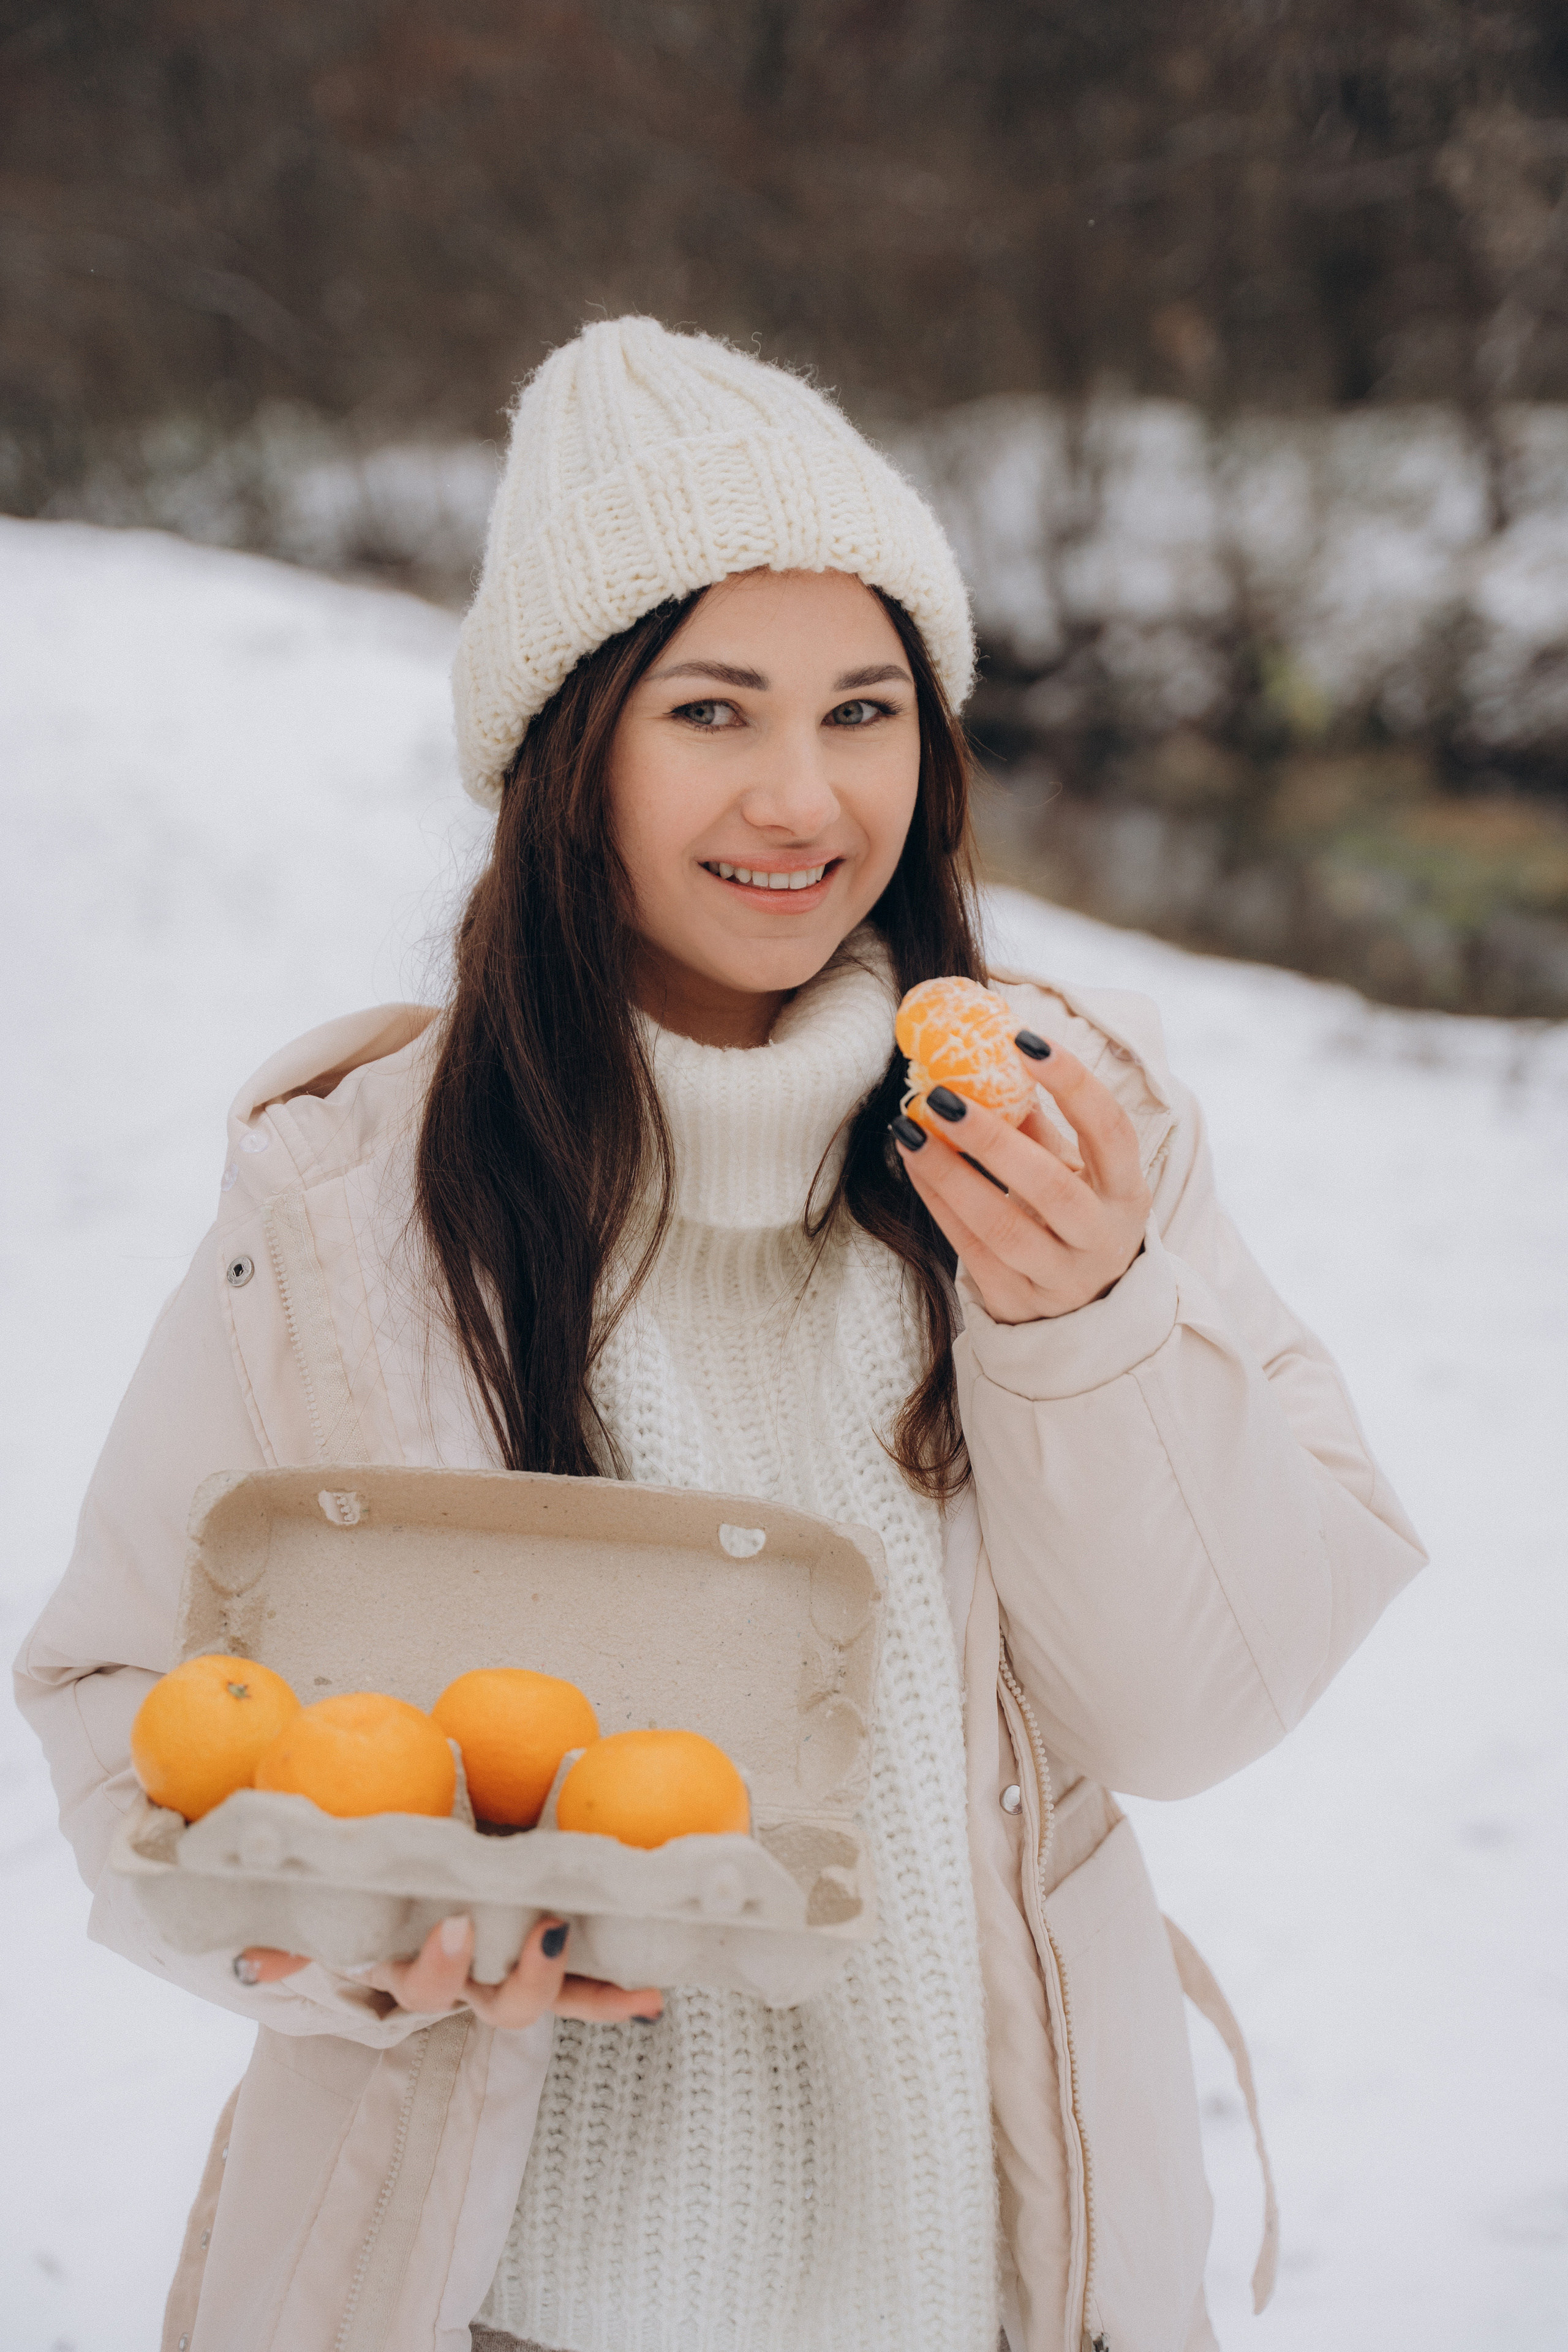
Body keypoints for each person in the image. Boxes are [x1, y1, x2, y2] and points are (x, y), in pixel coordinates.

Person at [15, 316, 1424, 2352]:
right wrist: (354, 1954)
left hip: (987, 2300)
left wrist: (1085, 1328)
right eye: (713, 709)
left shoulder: (1071, 1142)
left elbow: (1198, 1714)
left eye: (867, 709)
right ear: (569, 748)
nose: (803, 795)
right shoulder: (349, 1209)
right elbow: (123, 1701)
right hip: (482, 2306)